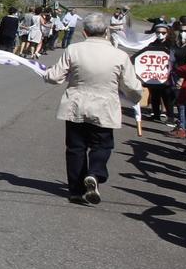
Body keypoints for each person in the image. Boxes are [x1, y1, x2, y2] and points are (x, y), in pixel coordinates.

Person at [44, 12, 144, 205]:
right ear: (106, 31)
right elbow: (131, 86)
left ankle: (76, 189)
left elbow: (55, 77)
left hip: (76, 103)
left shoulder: (74, 50)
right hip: (105, 105)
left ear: (85, 32)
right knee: (102, 144)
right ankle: (95, 173)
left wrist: (45, 73)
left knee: (75, 147)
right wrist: (135, 98)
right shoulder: (119, 55)